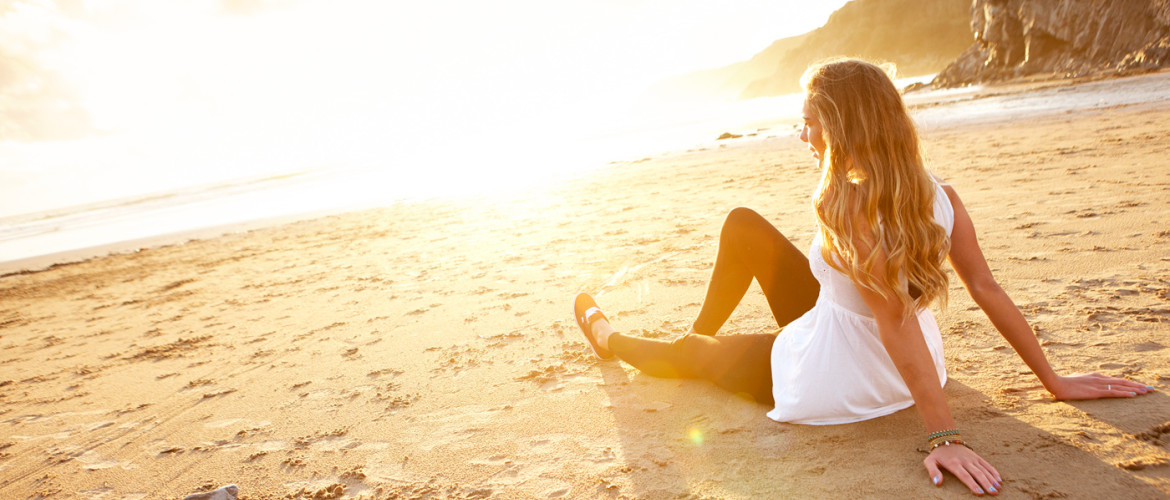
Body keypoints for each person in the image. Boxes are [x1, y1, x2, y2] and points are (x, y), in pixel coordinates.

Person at [572, 58, 1153, 496]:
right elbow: (985, 288)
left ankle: (617, 339)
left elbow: (895, 319)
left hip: (843, 376)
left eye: (808, 124)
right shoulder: (939, 195)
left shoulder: (849, 210)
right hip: (892, 353)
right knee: (743, 226)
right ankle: (697, 341)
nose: (802, 137)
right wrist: (1052, 378)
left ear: (840, 125)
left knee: (697, 355)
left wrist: (944, 437)